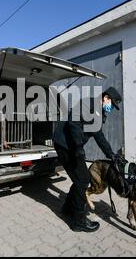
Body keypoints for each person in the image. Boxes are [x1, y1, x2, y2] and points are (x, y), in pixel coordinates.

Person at [53, 86, 127, 232]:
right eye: (111, 104)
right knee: (83, 180)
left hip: (72, 146)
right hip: (65, 145)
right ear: (105, 98)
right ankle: (78, 221)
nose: (111, 108)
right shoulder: (89, 104)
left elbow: (99, 136)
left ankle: (68, 208)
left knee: (80, 179)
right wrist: (78, 147)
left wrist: (110, 154)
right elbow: (73, 123)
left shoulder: (98, 114)